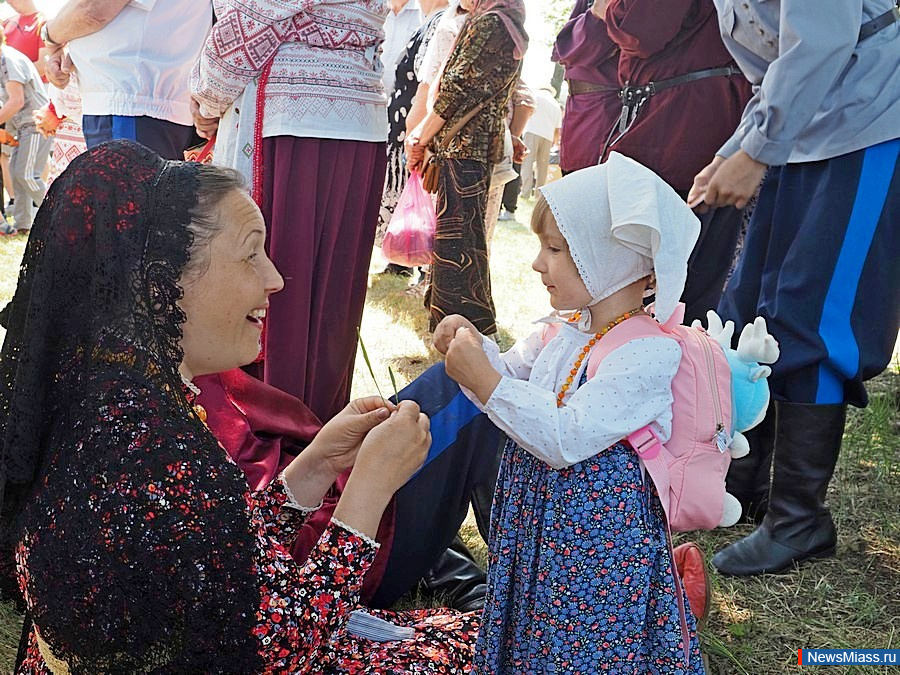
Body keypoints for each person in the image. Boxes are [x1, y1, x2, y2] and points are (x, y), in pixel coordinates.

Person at [0, 140, 480, 672]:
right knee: (476, 651)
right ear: (163, 281)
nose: (275, 278)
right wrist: (370, 487)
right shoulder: (146, 444)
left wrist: (318, 462)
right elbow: (278, 648)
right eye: (251, 254)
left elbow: (222, 558)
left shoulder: (113, 399)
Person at [432, 154, 705, 672]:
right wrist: (471, 347)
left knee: (582, 631)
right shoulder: (564, 329)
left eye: (556, 248)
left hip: (596, 541)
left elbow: (567, 436)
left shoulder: (646, 352)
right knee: (535, 608)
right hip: (542, 515)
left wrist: (486, 381)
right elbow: (510, 378)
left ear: (611, 260)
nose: (539, 263)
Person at [689, 0, 900, 577]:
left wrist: (756, 151)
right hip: (802, 136)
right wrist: (731, 151)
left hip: (869, 123)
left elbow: (824, 40)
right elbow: (777, 70)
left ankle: (798, 519)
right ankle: (745, 481)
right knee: (749, 309)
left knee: (816, 316)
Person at [191, 0, 390, 425]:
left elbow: (255, 15)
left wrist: (207, 97)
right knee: (328, 300)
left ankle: (277, 432)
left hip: (294, 114)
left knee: (274, 288)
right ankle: (316, 428)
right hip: (355, 110)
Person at [598, 0, 752, 325]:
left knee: (642, 261)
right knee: (695, 268)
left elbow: (642, 30)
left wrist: (606, 10)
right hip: (708, 115)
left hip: (678, 123)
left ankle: (640, 345)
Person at [406, 0, 527, 336]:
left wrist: (421, 139)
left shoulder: (492, 23)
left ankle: (461, 331)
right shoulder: (506, 21)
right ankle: (465, 329)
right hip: (471, 148)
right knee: (464, 242)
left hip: (465, 149)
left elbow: (455, 90)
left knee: (457, 246)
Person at [41, 0, 212, 160]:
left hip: (131, 104)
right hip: (136, 104)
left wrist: (49, 35)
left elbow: (92, 9)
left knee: (126, 181)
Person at [377, 0, 448, 279]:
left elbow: (426, 85)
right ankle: (403, 260)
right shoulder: (431, 20)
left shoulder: (438, 21)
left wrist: (415, 135)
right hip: (403, 128)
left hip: (415, 132)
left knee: (417, 200)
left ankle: (416, 264)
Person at [551, 0, 621, 175]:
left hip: (605, 108)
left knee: (591, 176)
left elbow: (585, 46)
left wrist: (595, 17)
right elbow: (561, 49)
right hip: (579, 106)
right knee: (572, 175)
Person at [0, 34, 49, 235]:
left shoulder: (9, 60)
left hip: (35, 124)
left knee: (27, 175)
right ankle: (24, 225)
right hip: (22, 127)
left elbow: (16, 101)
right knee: (16, 175)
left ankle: (60, 213)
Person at [519, 85, 561, 198]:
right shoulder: (556, 104)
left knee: (527, 163)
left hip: (532, 131)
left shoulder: (535, 95)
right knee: (542, 167)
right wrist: (555, 141)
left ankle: (525, 192)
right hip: (548, 136)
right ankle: (539, 195)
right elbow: (557, 129)